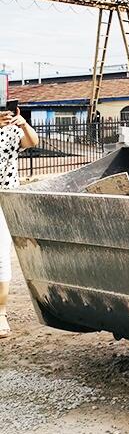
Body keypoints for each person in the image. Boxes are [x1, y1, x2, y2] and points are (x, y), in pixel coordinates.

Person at [0, 105, 39, 339]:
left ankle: (1, 314)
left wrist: (22, 123)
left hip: (5, 198)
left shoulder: (11, 133)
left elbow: (32, 142)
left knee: (1, 257)